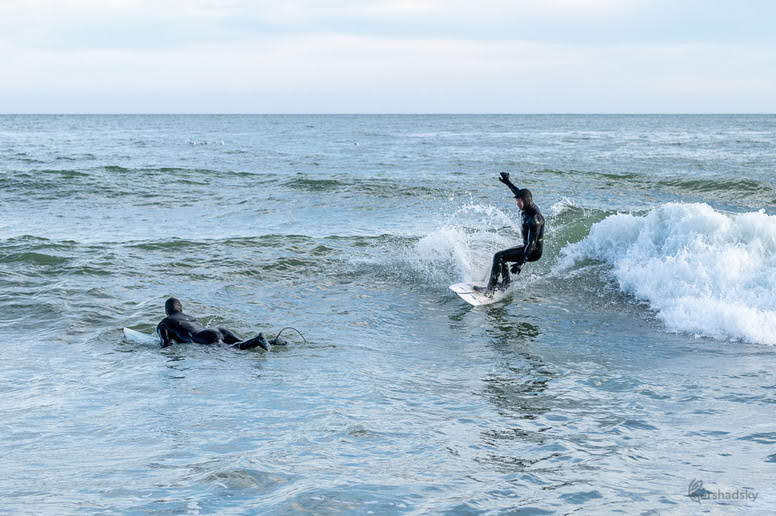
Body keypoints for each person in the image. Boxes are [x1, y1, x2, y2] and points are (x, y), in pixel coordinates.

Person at [475, 172, 545, 296]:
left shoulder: (535, 218)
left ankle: (490, 290)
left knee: (498, 256)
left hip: (533, 251)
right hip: (527, 247)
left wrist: (521, 263)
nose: (517, 203)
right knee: (502, 258)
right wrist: (508, 182)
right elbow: (518, 191)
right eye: (517, 200)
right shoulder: (526, 205)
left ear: (527, 201)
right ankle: (505, 284)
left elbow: (532, 244)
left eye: (519, 201)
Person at [156, 297, 276, 350]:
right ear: (180, 309)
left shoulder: (164, 323)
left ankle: (257, 340)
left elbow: (165, 344)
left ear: (166, 311)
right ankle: (273, 342)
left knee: (235, 350)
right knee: (242, 342)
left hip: (204, 336)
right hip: (219, 330)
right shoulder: (190, 317)